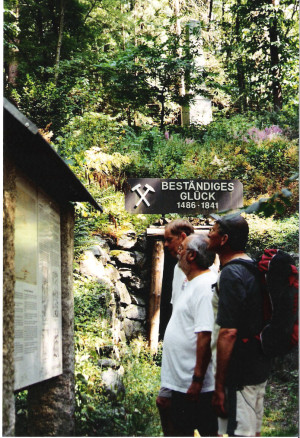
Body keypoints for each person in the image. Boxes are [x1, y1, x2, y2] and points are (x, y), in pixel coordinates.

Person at [207, 213, 271, 437]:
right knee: (252, 431)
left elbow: (228, 333)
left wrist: (219, 386)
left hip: (240, 375)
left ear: (224, 239)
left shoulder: (231, 274)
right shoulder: (249, 265)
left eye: (213, 230)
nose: (208, 233)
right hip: (255, 367)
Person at [160, 234, 218, 436]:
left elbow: (206, 335)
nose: (178, 252)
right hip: (182, 382)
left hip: (195, 387)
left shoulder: (205, 286)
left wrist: (197, 380)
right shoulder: (191, 282)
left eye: (182, 248)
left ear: (192, 255)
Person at [156, 219, 194, 436]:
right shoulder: (179, 267)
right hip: (173, 359)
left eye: (168, 240)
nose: (165, 245)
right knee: (164, 404)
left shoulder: (197, 268)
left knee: (177, 410)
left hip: (186, 361)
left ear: (182, 238)